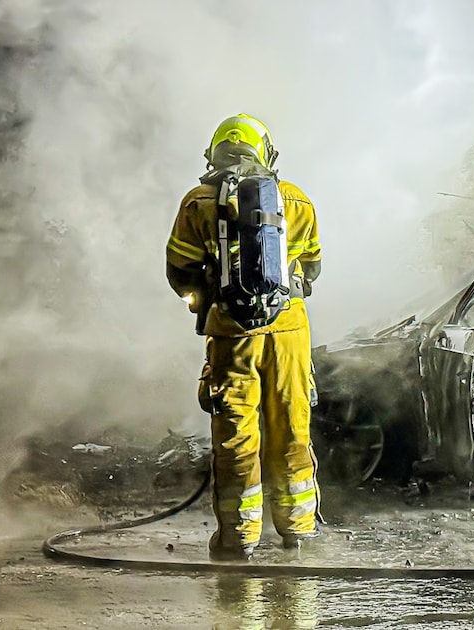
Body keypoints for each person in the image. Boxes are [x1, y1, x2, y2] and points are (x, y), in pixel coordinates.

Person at [166, 114, 323, 560]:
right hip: (289, 331)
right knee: (292, 424)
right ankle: (297, 529)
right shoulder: (296, 200)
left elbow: (179, 271)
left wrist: (210, 297)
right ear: (266, 152)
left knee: (236, 431)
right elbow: (311, 268)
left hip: (231, 333)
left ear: (215, 152)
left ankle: (238, 538)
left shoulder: (198, 202)